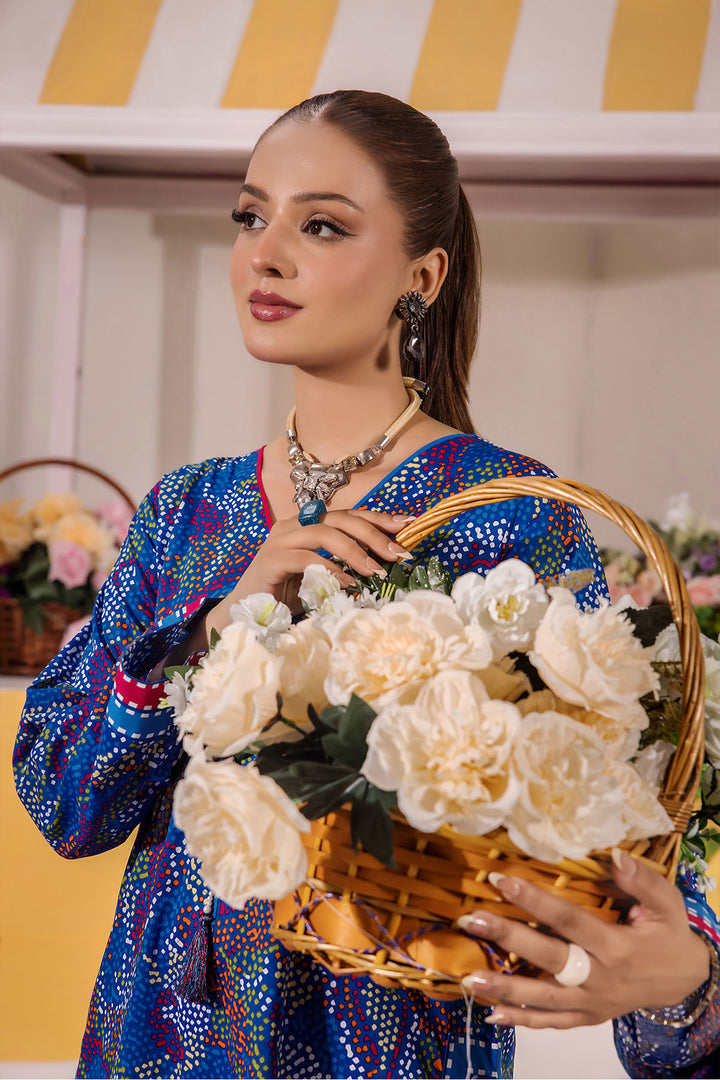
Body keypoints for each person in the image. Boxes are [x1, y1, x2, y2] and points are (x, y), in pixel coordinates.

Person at [13, 91, 718, 1079]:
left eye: (322, 225)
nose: (265, 254)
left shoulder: (509, 516)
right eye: (250, 215)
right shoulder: (186, 513)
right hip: (161, 1034)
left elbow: (615, 803)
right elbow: (65, 804)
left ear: (421, 276)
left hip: (384, 1037)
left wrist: (686, 971)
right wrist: (215, 628)